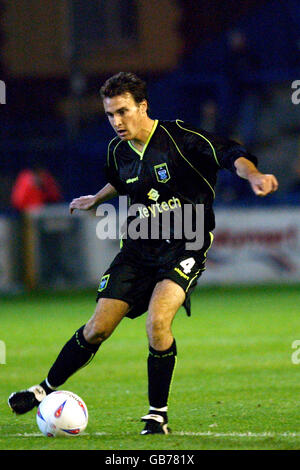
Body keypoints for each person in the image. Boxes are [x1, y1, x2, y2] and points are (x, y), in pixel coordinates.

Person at [8, 72, 278, 435]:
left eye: (122, 111)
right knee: (97, 327)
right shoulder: (117, 150)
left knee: (157, 321)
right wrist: (97, 198)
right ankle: (42, 389)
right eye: (109, 114)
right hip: (138, 249)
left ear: (143, 106)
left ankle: (157, 414)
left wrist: (255, 175)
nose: (116, 122)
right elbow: (122, 180)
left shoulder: (179, 138)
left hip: (187, 244)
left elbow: (231, 153)